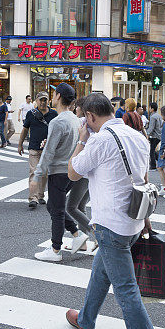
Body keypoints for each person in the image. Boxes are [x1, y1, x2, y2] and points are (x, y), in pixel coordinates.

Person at [66, 92, 163, 329]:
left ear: (92, 116)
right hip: (133, 221)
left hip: (111, 226)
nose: (86, 123)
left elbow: (73, 172)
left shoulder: (99, 140)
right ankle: (86, 320)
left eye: (86, 119)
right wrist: (146, 218)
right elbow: (143, 180)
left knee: (126, 290)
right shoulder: (138, 137)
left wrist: (82, 139)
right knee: (101, 271)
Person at [34, 83, 85, 261]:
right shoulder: (74, 119)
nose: (52, 97)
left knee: (56, 211)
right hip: (71, 170)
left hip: (58, 171)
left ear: (58, 96)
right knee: (53, 206)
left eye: (54, 94)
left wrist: (37, 175)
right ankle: (78, 235)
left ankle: (55, 250)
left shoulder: (57, 121)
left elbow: (48, 152)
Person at [64, 98, 96, 253]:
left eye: (76, 107)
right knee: (80, 206)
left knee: (70, 207)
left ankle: (97, 235)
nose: (75, 110)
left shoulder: (81, 122)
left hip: (81, 170)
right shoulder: (94, 124)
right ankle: (82, 241)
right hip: (92, 172)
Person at [18, 91, 57, 208]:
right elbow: (25, 129)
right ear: (36, 101)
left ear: (48, 101)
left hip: (48, 149)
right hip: (34, 148)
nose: (43, 102)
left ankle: (40, 195)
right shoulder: (31, 114)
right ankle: (33, 198)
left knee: (44, 174)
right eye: (41, 100)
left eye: (45, 100)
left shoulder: (54, 114)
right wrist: (20, 144)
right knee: (34, 172)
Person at [146, 102, 162, 170]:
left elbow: (151, 128)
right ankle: (160, 161)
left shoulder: (153, 117)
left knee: (151, 150)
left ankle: (153, 165)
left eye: (149, 107)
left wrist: (147, 134)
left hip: (154, 136)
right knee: (153, 150)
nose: (149, 109)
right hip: (159, 135)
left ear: (152, 108)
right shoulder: (159, 116)